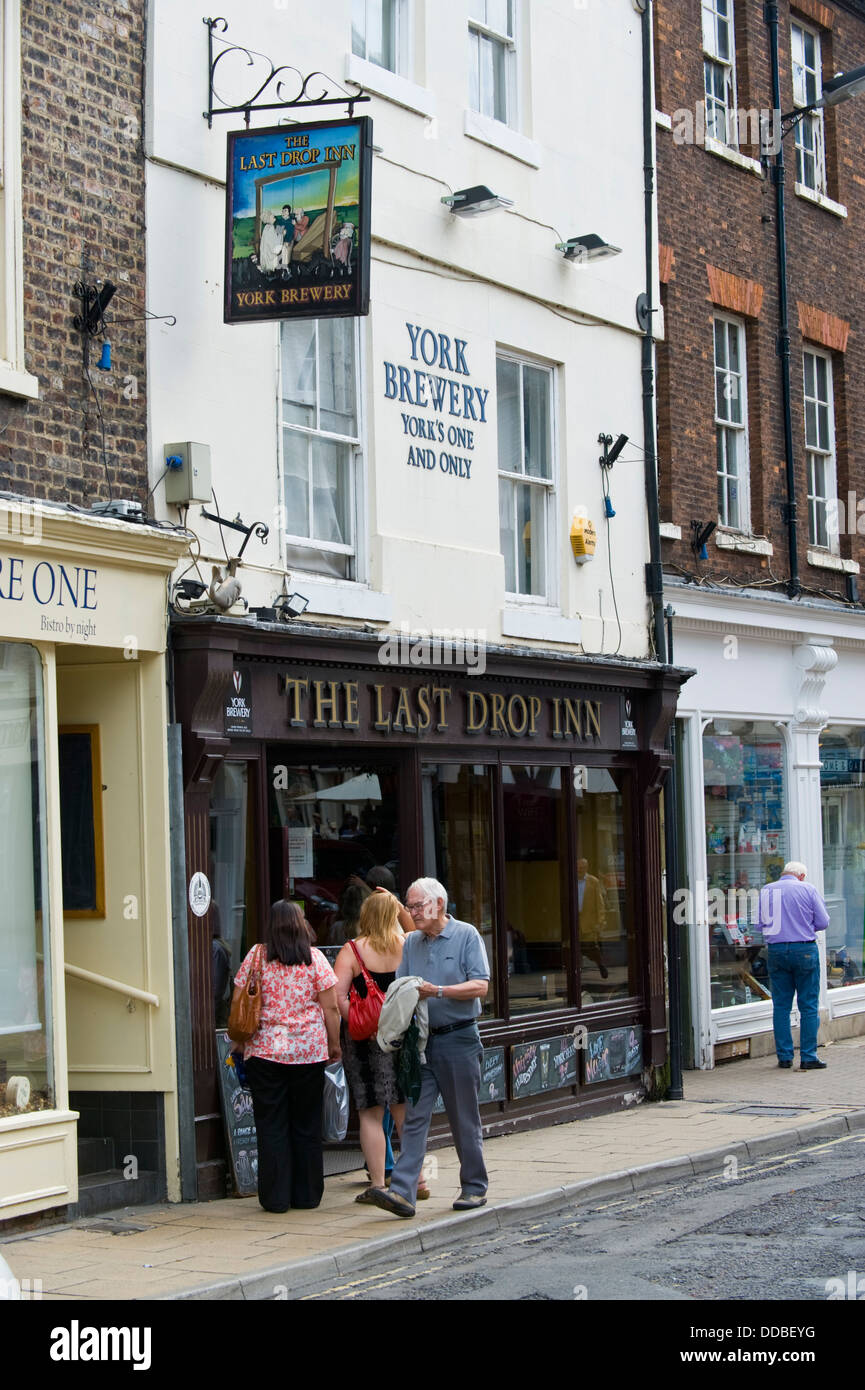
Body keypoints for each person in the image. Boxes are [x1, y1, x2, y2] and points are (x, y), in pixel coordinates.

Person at [369, 877, 490, 1219]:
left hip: (459, 1039)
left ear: (439, 904)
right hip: (421, 1042)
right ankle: (403, 1192)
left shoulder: (466, 935)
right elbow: (402, 989)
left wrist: (439, 991)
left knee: (463, 1117)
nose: (412, 912)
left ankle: (474, 1187)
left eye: (417, 906)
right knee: (415, 1116)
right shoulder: (412, 943)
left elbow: (481, 985)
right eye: (409, 906)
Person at [234, 901, 340, 1212]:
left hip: (265, 1052)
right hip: (307, 1052)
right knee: (306, 1123)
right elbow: (331, 1008)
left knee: (271, 1124)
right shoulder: (315, 959)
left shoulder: (256, 956)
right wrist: (334, 1044)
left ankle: (276, 1198)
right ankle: (307, 1195)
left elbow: (240, 996)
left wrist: (240, 1040)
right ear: (299, 924)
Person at [333, 893, 430, 1204]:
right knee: (405, 1111)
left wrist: (362, 1021)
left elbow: (337, 998)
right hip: (403, 1036)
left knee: (372, 1114)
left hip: (365, 1042)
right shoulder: (409, 944)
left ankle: (378, 1183)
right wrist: (399, 905)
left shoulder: (352, 951)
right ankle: (418, 1179)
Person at [759, 861, 830, 1070]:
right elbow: (824, 922)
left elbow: (760, 924)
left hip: (776, 951)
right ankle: (808, 1056)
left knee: (781, 1005)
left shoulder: (767, 890)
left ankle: (784, 1057)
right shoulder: (808, 889)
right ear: (801, 876)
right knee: (808, 1005)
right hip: (804, 950)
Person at [577, 858, 609, 980]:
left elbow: (599, 903)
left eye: (582, 867)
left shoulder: (593, 881)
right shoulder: (570, 880)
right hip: (575, 920)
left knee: (591, 948)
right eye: (578, 867)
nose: (579, 870)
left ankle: (600, 965)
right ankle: (576, 972)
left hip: (588, 921)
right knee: (575, 948)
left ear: (586, 868)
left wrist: (600, 921)